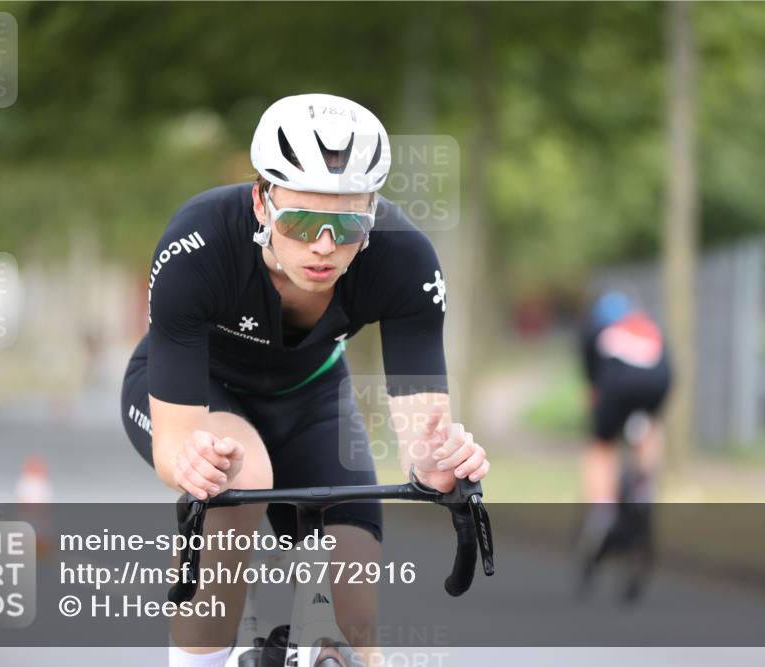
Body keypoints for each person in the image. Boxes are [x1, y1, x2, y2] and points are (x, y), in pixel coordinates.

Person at [120, 93, 489, 667]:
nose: (322, 244)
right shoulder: (198, 244)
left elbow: (425, 443)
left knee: (355, 618)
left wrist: (437, 465)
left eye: (345, 225)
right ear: (262, 204)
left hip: (313, 397)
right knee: (239, 478)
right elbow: (177, 446)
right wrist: (188, 465)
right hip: (199, 390)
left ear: (370, 214)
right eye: (300, 221)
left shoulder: (405, 259)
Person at [575, 291, 672, 589]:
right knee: (649, 428)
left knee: (600, 447)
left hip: (617, 384)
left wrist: (595, 401)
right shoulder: (646, 323)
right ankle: (645, 485)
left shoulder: (594, 329)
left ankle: (602, 510)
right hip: (659, 380)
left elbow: (591, 377)